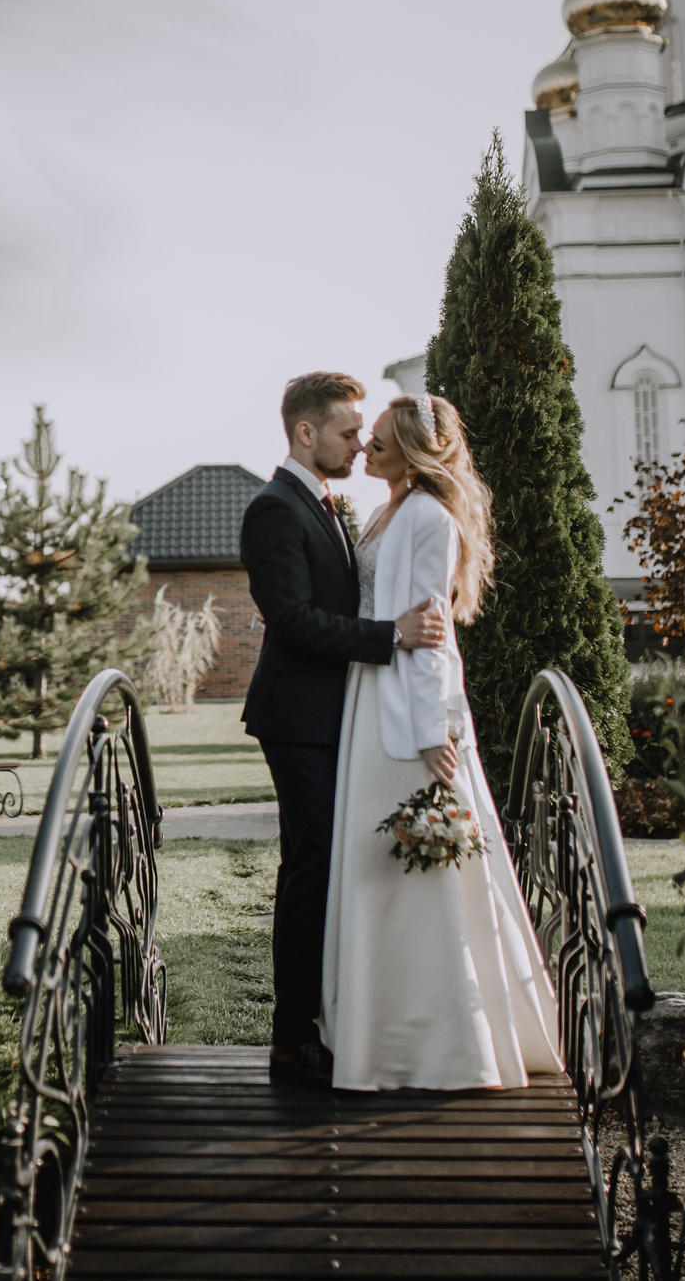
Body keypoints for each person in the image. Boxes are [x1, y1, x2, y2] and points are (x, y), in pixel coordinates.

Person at [319, 392, 561, 1090]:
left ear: (416, 452)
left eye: (381, 440)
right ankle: (373, 1029)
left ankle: (441, 1042)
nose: (368, 448)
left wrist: (434, 734)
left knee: (418, 873)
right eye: (369, 438)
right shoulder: (386, 511)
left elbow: (430, 635)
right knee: (376, 867)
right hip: (369, 697)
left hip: (405, 710)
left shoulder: (427, 517)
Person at [239, 372, 446, 1089]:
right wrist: (392, 636)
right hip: (298, 717)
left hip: (336, 716)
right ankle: (293, 1037)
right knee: (312, 868)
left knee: (324, 867)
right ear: (306, 432)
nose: (361, 443)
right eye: (348, 431)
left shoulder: (325, 502)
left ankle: (329, 1019)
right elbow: (293, 621)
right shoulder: (274, 509)